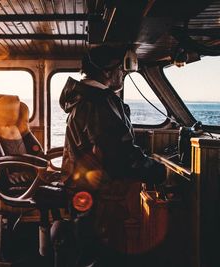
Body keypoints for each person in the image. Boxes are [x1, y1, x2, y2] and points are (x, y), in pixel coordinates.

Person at [58, 45, 166, 266]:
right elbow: (120, 156)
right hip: (100, 194)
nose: (123, 74)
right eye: (120, 69)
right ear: (107, 71)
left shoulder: (84, 99)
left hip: (82, 187)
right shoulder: (99, 103)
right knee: (99, 253)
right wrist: (156, 170)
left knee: (87, 248)